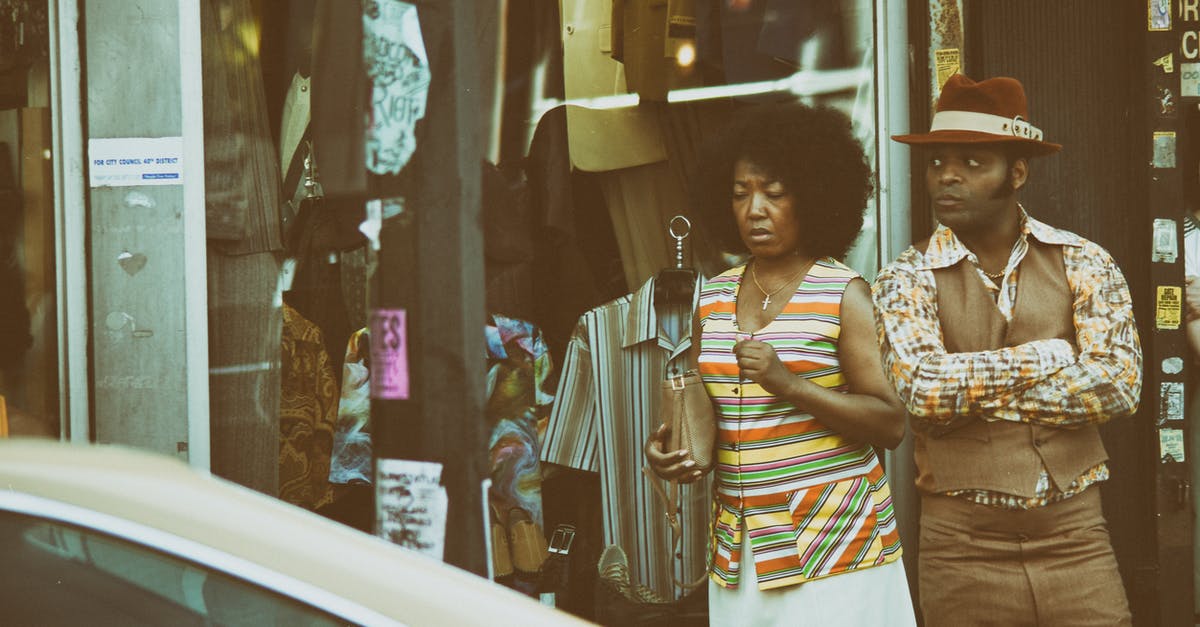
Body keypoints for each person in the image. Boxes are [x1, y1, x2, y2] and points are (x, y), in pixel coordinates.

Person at [875, 73, 1142, 626]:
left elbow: (1118, 384)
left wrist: (969, 396)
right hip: (961, 544)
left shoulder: (1082, 260)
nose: (947, 175)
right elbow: (924, 393)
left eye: (972, 162)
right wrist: (1051, 356)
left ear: (1016, 172)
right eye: (937, 161)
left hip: (1075, 535)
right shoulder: (906, 276)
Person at [645, 101, 916, 626]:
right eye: (740, 193)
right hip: (742, 551)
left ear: (814, 197)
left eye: (774, 192)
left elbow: (891, 422)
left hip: (834, 548)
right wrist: (671, 453)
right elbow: (712, 415)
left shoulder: (843, 294)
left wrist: (790, 384)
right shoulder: (715, 297)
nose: (754, 210)